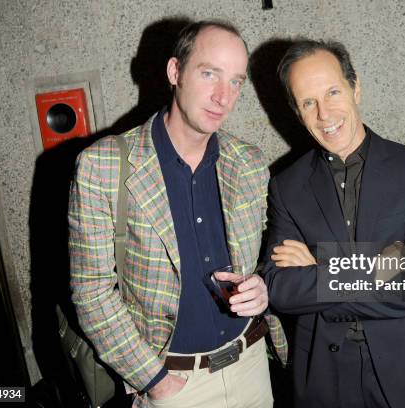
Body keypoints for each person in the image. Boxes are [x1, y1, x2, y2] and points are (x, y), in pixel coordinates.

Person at [69, 20, 286, 408]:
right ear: (175, 72)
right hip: (172, 384)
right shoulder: (103, 166)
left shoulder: (249, 163)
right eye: (209, 74)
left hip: (252, 366)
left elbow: (272, 253)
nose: (224, 96)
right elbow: (91, 293)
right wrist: (155, 382)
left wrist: (263, 284)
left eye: (236, 81)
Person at [262, 39, 405, 408]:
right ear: (297, 111)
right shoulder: (285, 186)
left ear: (356, 88)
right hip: (325, 380)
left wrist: (322, 268)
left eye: (333, 92)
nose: (325, 114)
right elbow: (278, 287)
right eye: (309, 102)